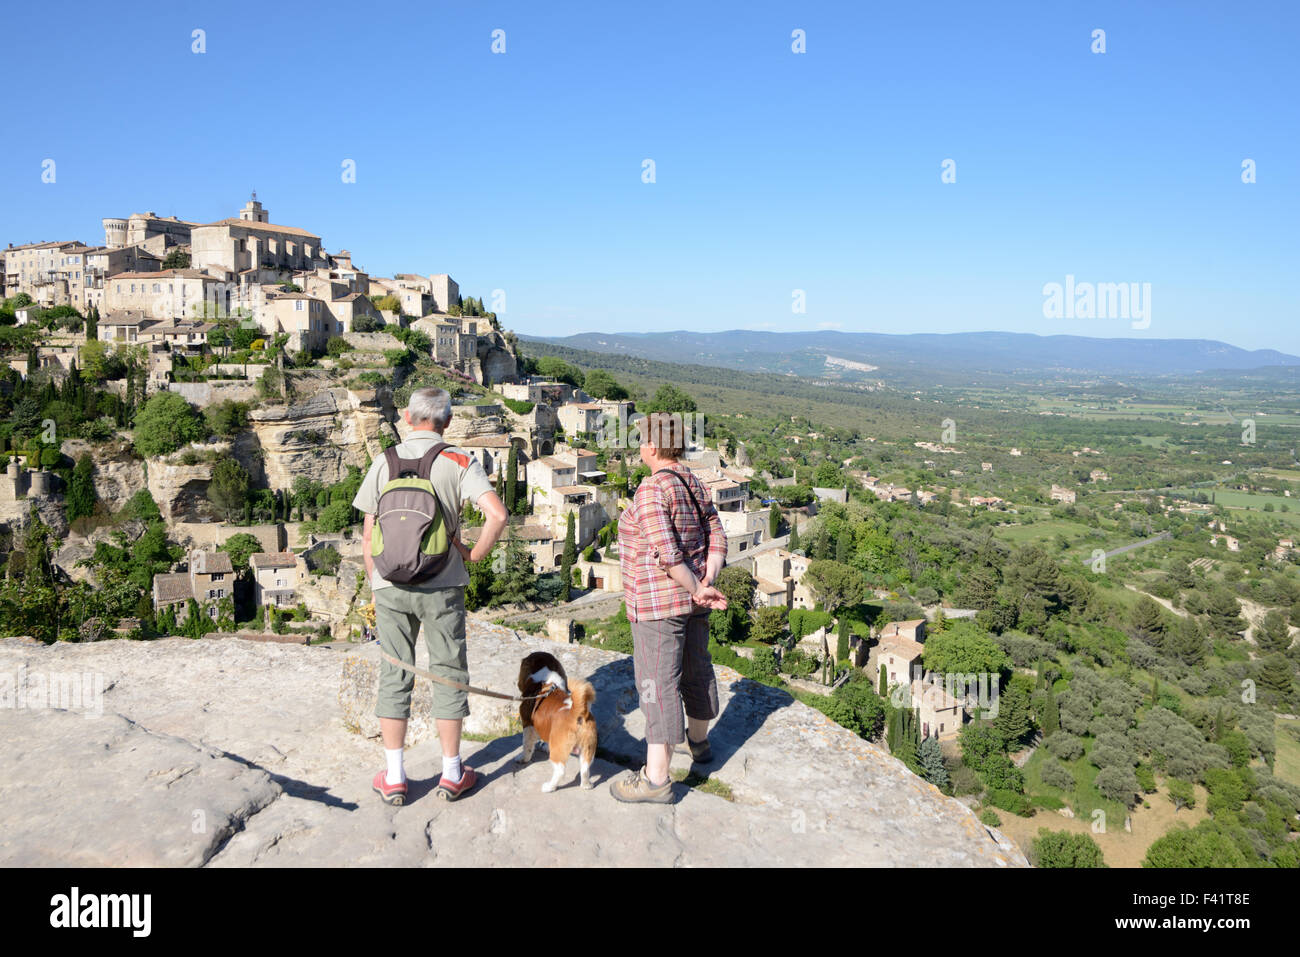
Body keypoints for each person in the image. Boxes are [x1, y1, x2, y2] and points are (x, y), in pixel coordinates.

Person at [352, 387, 509, 804]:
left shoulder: (383, 461)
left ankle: (395, 776)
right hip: (442, 582)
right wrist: (473, 554)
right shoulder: (458, 459)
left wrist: (376, 579)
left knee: (395, 672)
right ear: (448, 422)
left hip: (389, 584)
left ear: (407, 417)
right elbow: (498, 514)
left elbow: (369, 530)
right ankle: (452, 773)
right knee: (447, 671)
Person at [611, 412, 728, 804]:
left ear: (650, 447)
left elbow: (666, 552)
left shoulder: (651, 489)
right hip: (694, 600)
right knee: (696, 669)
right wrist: (707, 580)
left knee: (657, 685)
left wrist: (696, 587)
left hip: (658, 604)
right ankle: (700, 744)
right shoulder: (693, 481)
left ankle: (656, 779)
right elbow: (716, 532)